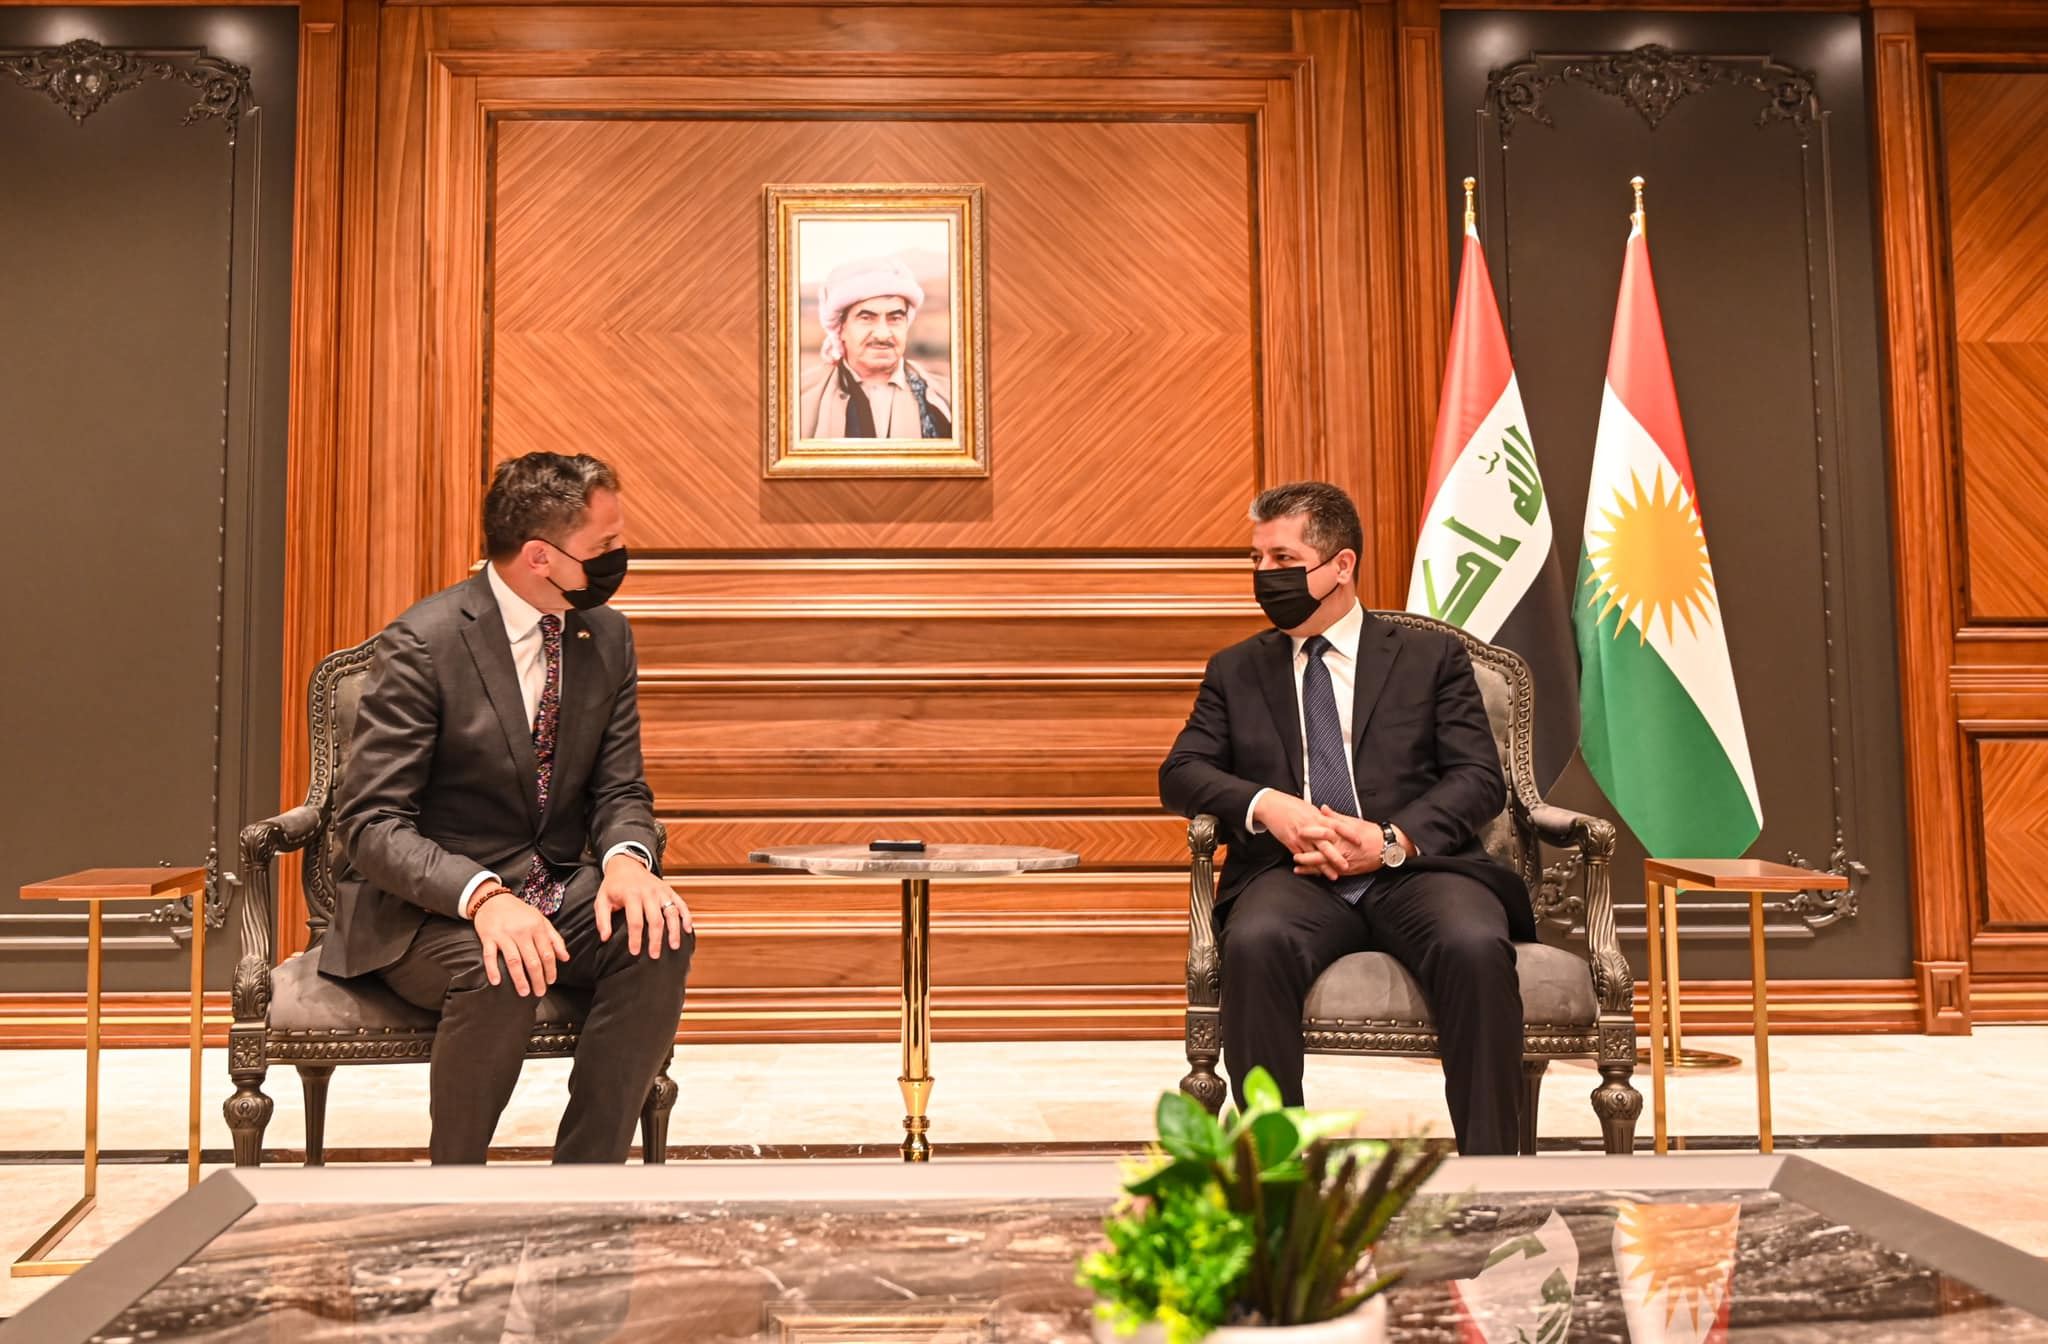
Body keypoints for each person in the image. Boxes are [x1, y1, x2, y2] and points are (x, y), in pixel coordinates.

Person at [323, 451, 692, 1164]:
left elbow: (620, 788)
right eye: (606, 545)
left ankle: (586, 1181)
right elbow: (371, 824)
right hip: (428, 910)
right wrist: (484, 898)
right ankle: (457, 1188)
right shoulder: (425, 644)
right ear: (539, 557)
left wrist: (627, 861)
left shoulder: (605, 637)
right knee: (500, 962)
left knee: (659, 934)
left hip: (552, 885)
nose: (620, 557)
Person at [1159, 481, 1533, 1155]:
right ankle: (1277, 1173)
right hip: (1293, 873)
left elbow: (1479, 779)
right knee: (1254, 944)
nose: (1264, 575)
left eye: (1282, 559)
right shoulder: (1237, 670)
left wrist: (1390, 838)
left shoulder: (1430, 660)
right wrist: (1269, 806)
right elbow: (1180, 772)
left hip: (1416, 868)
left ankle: (1497, 1175)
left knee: (1475, 946)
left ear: (1341, 565)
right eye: (1256, 560)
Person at [799, 255, 954, 439]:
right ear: (841, 328)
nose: (883, 334)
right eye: (866, 318)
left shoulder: (947, 399)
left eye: (895, 318)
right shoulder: (799, 400)